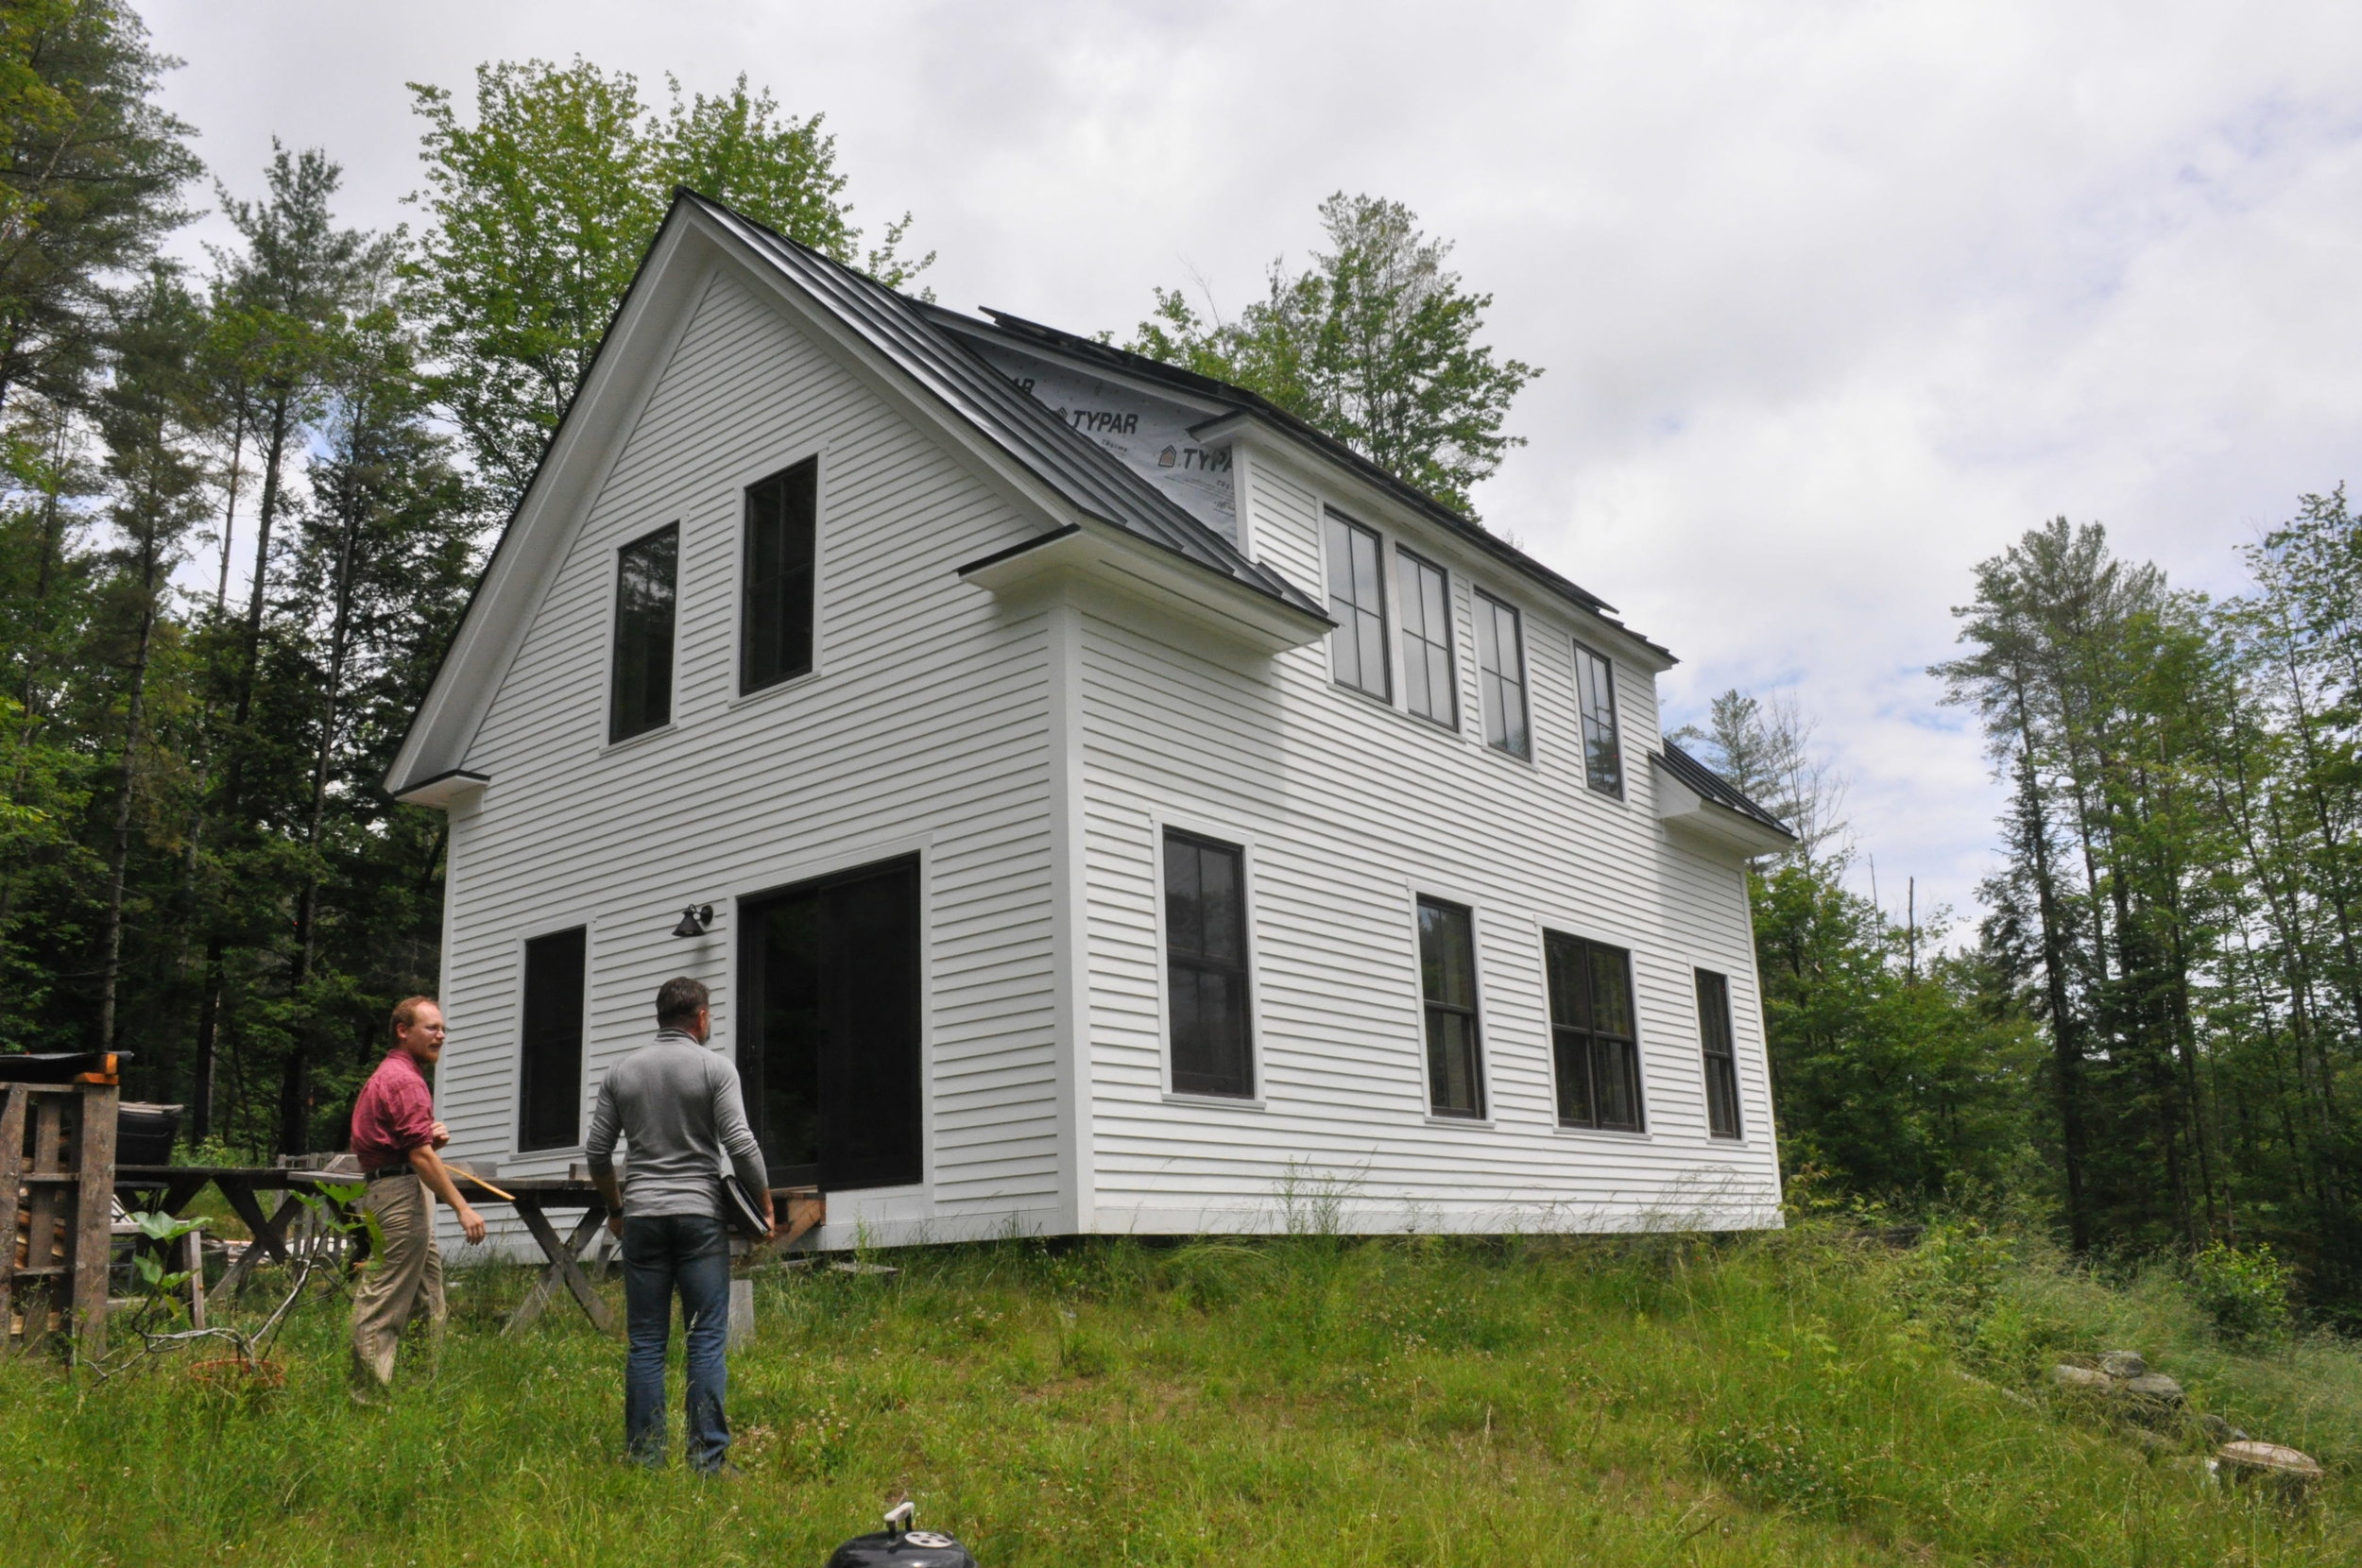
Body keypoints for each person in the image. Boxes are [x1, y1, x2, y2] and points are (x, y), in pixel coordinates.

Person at [587, 976, 775, 1474]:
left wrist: (616, 1209)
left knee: (647, 1342)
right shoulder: (715, 1068)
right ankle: (707, 1461)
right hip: (699, 1217)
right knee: (705, 1338)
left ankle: (646, 1458)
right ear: (700, 1018)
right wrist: (764, 1201)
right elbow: (741, 1143)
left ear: (659, 1017)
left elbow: (597, 1152)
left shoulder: (621, 1071)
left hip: (643, 1217)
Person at [349, 996, 488, 1390]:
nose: (440, 1035)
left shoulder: (396, 1076)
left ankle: (415, 1390)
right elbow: (418, 1155)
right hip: (398, 1195)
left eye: (443, 1029)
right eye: (431, 1028)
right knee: (384, 1301)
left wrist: (426, 1145)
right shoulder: (404, 1079)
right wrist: (462, 1208)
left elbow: (408, 1148)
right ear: (403, 1031)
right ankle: (370, 1400)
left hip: (399, 1185)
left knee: (427, 1300)